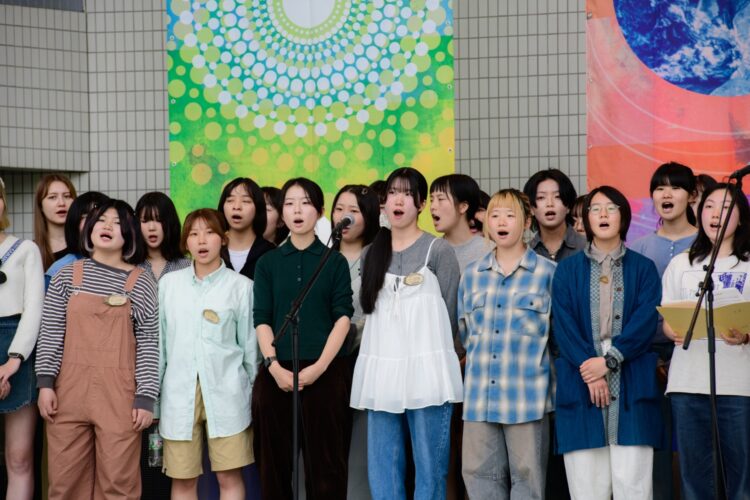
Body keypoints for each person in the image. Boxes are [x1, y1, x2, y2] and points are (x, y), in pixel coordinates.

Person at [351, 167, 463, 500]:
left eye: (407, 194)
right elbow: (365, 313)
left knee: (430, 468)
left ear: (421, 204)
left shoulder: (438, 251)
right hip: (383, 371)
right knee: (382, 467)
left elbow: (452, 315)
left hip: (428, 372)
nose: (398, 200)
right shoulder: (370, 254)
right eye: (392, 193)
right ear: (383, 202)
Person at [36, 199, 158, 500]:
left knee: (118, 482)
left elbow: (149, 342)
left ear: (129, 235)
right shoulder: (67, 276)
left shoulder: (141, 282)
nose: (107, 226)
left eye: (117, 223)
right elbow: (50, 333)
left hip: (120, 394)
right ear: (89, 229)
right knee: (65, 481)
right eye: (101, 220)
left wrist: (145, 397)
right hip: (68, 391)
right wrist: (45, 384)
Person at [551, 186, 662, 500]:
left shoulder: (644, 268)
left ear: (623, 217)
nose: (603, 214)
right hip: (581, 380)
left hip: (631, 379)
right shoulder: (567, 270)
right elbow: (564, 326)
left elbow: (644, 323)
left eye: (611, 208)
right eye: (595, 209)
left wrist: (610, 360)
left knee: (634, 487)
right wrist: (592, 371)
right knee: (587, 488)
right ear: (585, 219)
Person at [252, 177, 353, 500]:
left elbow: (343, 318)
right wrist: (273, 366)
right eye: (290, 203)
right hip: (277, 371)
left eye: (306, 203)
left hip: (325, 372)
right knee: (273, 466)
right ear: (282, 213)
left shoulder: (334, 261)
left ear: (320, 212)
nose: (297, 210)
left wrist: (319, 368)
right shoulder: (267, 262)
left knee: (326, 467)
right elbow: (262, 318)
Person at [458, 189, 556, 499]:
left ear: (526, 222)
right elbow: (465, 334)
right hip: (479, 398)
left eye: (510, 215)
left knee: (529, 482)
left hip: (527, 398)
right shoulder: (472, 275)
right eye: (495, 215)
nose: (501, 222)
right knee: (479, 478)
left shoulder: (548, 273)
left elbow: (557, 339)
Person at [158, 208, 257, 500]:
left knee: (229, 476)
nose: (201, 240)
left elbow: (251, 350)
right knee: (183, 478)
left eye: (210, 232)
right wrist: (155, 400)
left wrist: (252, 396)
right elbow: (160, 346)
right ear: (185, 241)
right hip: (178, 393)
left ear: (223, 239)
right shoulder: (169, 285)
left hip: (228, 393)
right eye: (194, 234)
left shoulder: (241, 287)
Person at [661, 183, 750, 500]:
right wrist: (672, 330)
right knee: (695, 479)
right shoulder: (681, 263)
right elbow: (667, 319)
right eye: (709, 206)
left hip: (739, 385)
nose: (715, 214)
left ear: (741, 217)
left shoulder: (748, 263)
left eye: (726, 208)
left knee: (742, 478)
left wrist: (745, 335)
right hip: (688, 383)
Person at [629, 162, 698, 500]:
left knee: (694, 443)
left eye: (675, 187)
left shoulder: (706, 245)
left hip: (695, 355)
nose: (666, 194)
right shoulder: (639, 247)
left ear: (693, 195)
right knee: (653, 443)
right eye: (659, 188)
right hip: (646, 355)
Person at [330, 184, 380, 500]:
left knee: (363, 446)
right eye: (339, 209)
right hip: (326, 363)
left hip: (366, 359)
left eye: (354, 210)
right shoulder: (322, 256)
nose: (344, 217)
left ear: (369, 216)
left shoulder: (380, 257)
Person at [0, 177, 45, 500]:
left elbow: (34, 310)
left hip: (18, 351)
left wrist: (13, 361)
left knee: (19, 457)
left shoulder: (26, 249)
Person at [45, 191, 110, 289]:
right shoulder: (58, 270)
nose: (94, 223)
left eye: (101, 218)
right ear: (75, 222)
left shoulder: (128, 267)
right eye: (87, 217)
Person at [430, 174, 491, 272]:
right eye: (431, 200)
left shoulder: (490, 250)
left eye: (440, 199)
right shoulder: (431, 251)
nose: (432, 206)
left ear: (463, 207)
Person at [523, 168, 586, 262]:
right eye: (541, 197)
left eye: (557, 196)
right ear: (531, 209)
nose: (550, 204)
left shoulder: (588, 248)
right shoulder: (526, 254)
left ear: (568, 206)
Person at [218, 178, 275, 280]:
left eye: (246, 201)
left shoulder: (271, 254)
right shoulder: (212, 250)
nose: (236, 207)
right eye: (230, 200)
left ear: (258, 208)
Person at [136, 192, 190, 281]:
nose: (152, 228)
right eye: (145, 221)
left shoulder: (187, 267)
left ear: (170, 222)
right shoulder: (129, 266)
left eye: (159, 220)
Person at [33, 174, 76, 270]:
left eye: (67, 196)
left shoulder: (87, 246)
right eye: (52, 197)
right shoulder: (31, 250)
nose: (61, 203)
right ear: (40, 206)